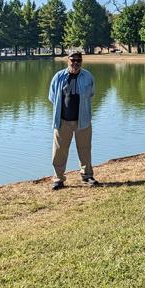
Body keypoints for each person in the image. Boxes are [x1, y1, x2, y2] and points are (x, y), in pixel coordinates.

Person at [48, 50, 100, 190]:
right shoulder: (58, 77)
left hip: (82, 121)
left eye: (79, 60)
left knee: (85, 149)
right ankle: (58, 179)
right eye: (73, 60)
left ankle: (87, 176)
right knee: (59, 151)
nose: (76, 63)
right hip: (62, 121)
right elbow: (52, 97)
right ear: (68, 60)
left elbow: (91, 93)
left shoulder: (88, 76)